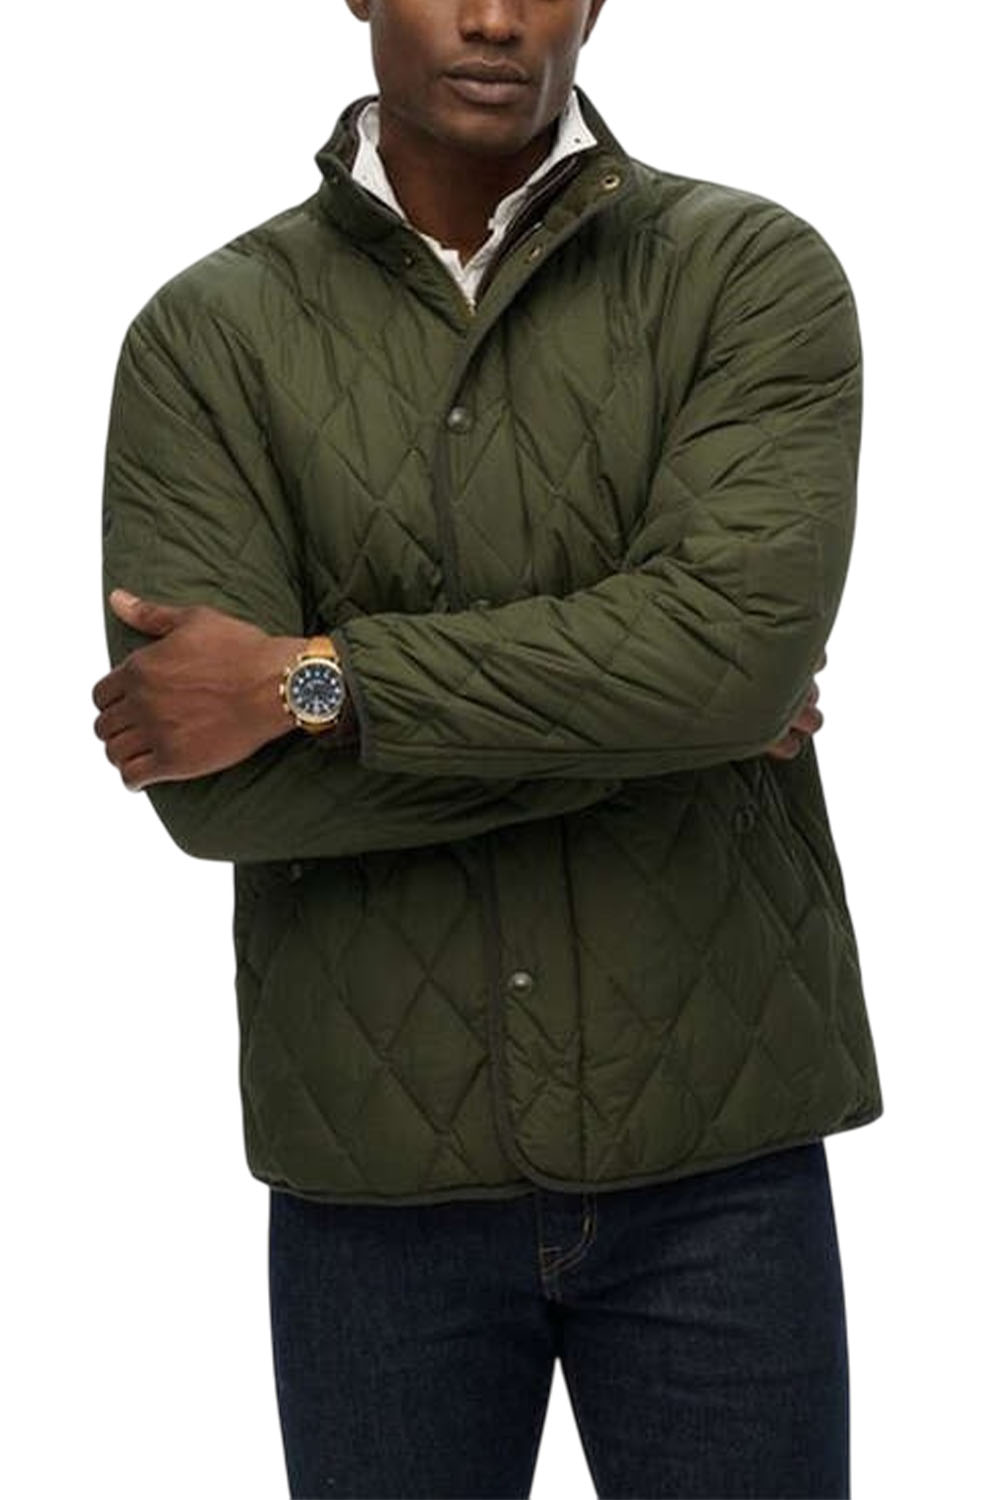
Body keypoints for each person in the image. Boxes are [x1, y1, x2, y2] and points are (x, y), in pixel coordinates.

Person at [92, 1, 885, 1495]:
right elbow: (214, 787)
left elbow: (728, 664)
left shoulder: (748, 272)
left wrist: (312, 682)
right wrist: (676, 721)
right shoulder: (208, 336)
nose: (494, 16)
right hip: (372, 1186)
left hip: (719, 1161)